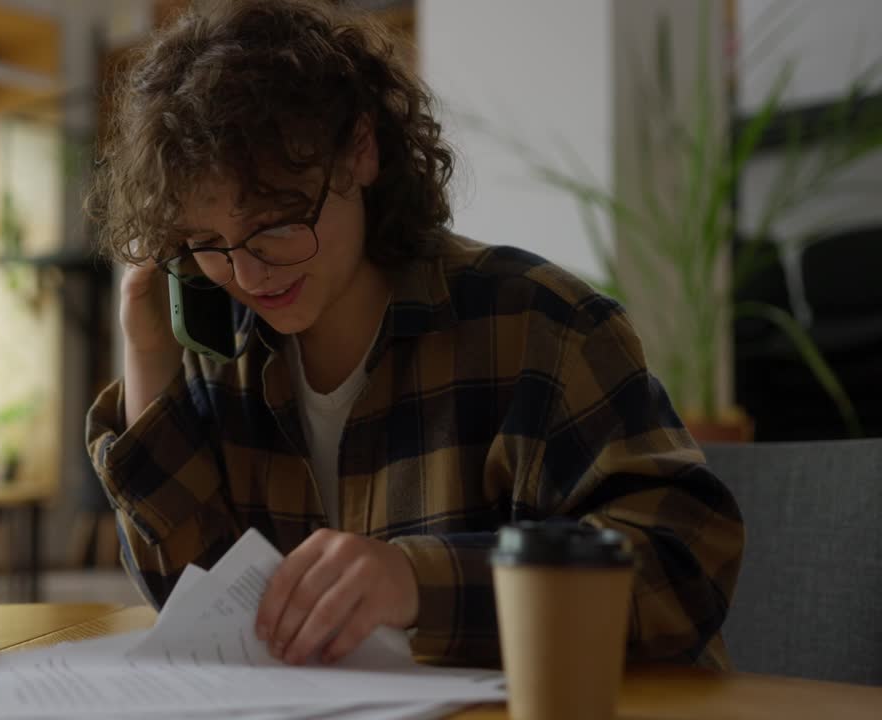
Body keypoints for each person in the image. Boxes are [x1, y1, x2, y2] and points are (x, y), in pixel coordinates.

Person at [85, 0, 743, 670]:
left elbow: (683, 565)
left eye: (278, 222)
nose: (249, 274)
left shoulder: (539, 326)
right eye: (205, 241)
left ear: (361, 149)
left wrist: (416, 582)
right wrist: (146, 353)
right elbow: (196, 604)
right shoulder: (224, 351)